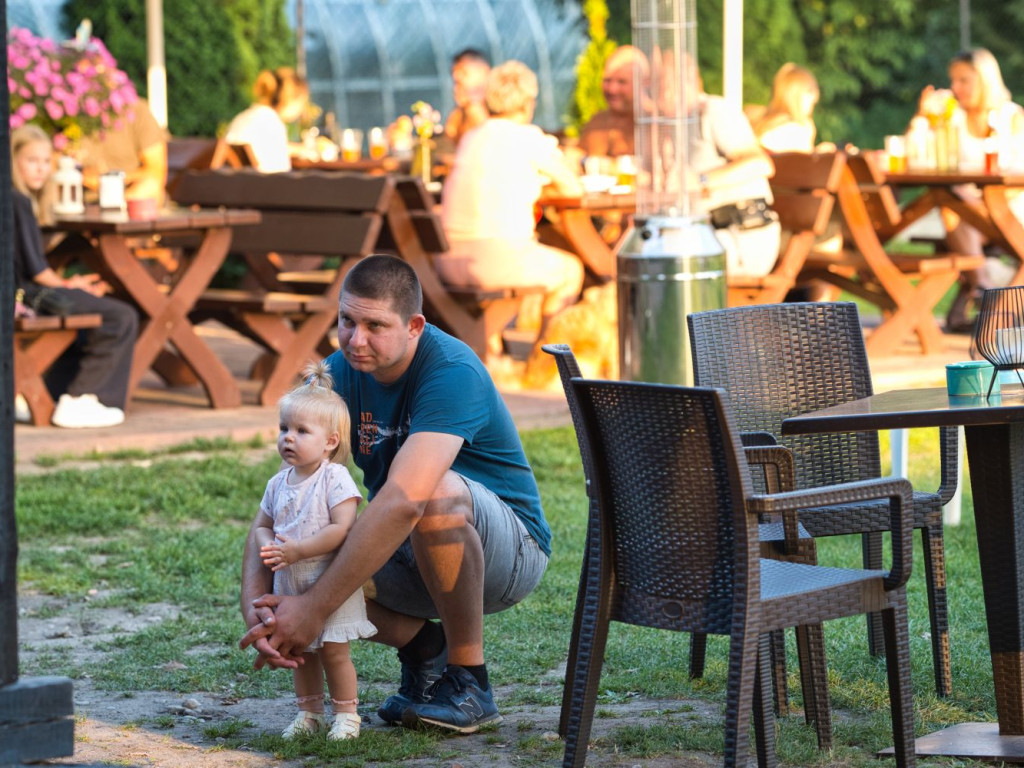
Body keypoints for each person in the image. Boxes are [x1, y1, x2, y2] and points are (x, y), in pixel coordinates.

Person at [239, 254, 550, 734]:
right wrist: (261, 612)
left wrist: (314, 609)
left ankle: (470, 682)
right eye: (347, 320)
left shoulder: (451, 370)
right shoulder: (336, 376)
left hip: (507, 553)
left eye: (375, 326)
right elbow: (280, 504)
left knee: (431, 493)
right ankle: (425, 650)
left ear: (414, 326)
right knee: (304, 521)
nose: (355, 340)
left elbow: (406, 499)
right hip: (410, 543)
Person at [248, 361, 376, 741]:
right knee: (300, 654)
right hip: (290, 582)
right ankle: (309, 713)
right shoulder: (278, 482)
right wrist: (267, 546)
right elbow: (262, 525)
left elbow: (342, 528)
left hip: (327, 582)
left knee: (336, 653)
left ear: (330, 441)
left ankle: (347, 715)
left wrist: (299, 549)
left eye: (302, 431)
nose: (288, 438)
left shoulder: (333, 477)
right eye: (283, 429)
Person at [438, 60, 585, 336]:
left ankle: (485, 352)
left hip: (447, 259)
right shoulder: (528, 137)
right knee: (571, 272)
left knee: (523, 272)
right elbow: (573, 188)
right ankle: (542, 366)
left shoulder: (471, 138)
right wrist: (545, 189)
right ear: (528, 103)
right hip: (495, 261)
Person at [11, 123, 138, 428]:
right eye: (32, 161)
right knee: (121, 316)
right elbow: (38, 273)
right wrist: (70, 285)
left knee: (89, 318)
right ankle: (82, 397)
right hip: (25, 296)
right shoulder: (17, 201)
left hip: (24, 292)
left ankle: (52, 393)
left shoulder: (18, 199)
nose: (41, 169)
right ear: (12, 160)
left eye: (46, 162)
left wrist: (71, 286)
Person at [917, 48, 1024, 331]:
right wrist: (923, 117)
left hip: (1012, 207)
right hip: (972, 213)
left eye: (963, 80)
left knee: (956, 206)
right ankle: (984, 290)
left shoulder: (1012, 118)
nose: (955, 88)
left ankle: (997, 312)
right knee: (952, 207)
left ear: (984, 80)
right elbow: (920, 155)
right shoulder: (952, 119)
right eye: (953, 80)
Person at [79, 99, 168, 205]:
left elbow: (156, 172)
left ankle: (116, 206)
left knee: (150, 186)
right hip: (81, 199)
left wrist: (106, 181)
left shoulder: (137, 111)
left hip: (128, 198)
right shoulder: (69, 111)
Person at [224, 67, 310, 173]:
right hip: (257, 185)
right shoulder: (273, 124)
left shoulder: (246, 116)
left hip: (231, 183)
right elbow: (280, 173)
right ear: (292, 100)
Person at [578, 45, 649, 158]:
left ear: (644, 82)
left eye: (622, 82)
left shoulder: (654, 123)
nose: (612, 89)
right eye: (607, 80)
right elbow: (578, 156)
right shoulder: (597, 122)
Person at [752, 64, 836, 154]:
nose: (815, 97)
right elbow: (802, 164)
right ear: (796, 94)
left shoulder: (760, 122)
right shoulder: (796, 130)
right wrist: (819, 154)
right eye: (810, 91)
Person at [443, 49, 491, 147]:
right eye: (455, 74)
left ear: (484, 72)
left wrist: (472, 108)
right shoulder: (459, 113)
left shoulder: (501, 104)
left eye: (464, 73)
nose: (458, 79)